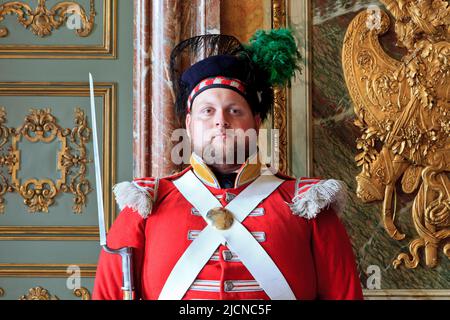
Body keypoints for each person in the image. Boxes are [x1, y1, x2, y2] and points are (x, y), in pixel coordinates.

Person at [93, 29, 363, 300]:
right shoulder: (145, 204)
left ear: (256, 123)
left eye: (234, 110)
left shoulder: (309, 205)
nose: (220, 120)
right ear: (188, 125)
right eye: (207, 111)